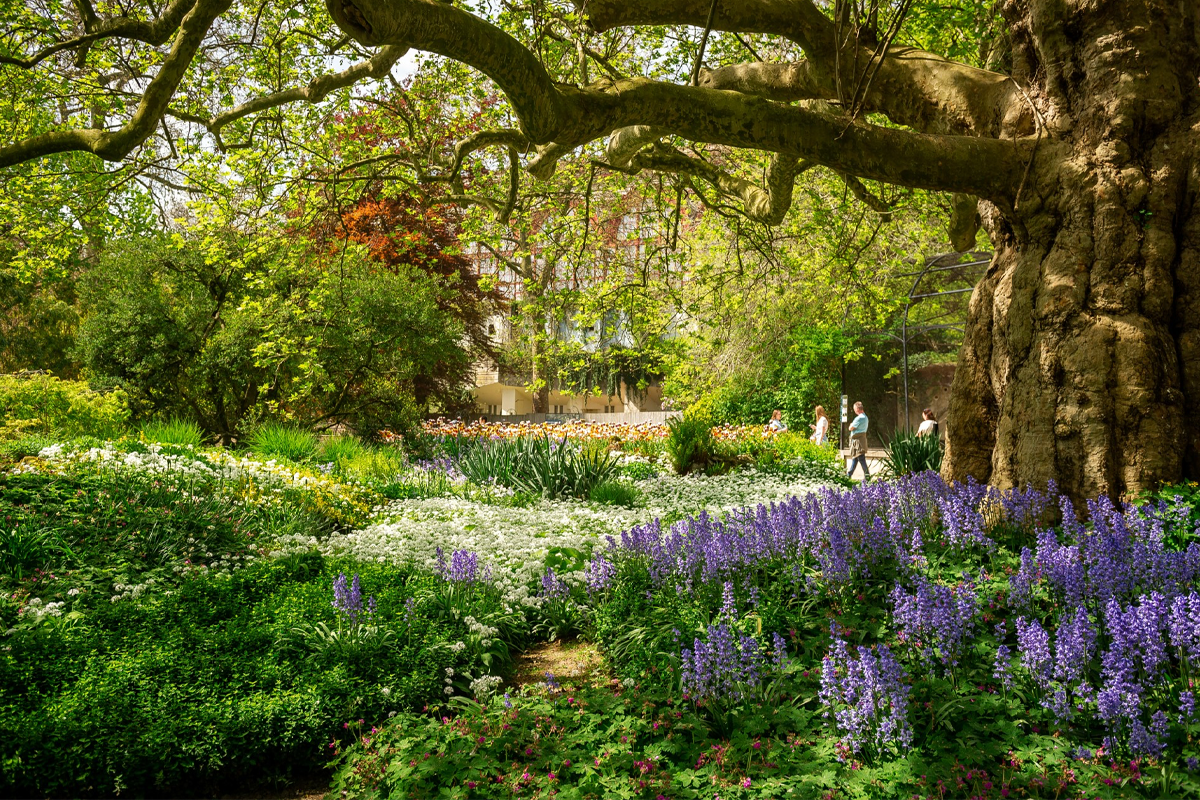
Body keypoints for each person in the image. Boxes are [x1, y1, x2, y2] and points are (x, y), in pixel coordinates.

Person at [846, 401, 870, 480]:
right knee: (855, 459)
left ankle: (867, 476)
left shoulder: (859, 418)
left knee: (861, 459)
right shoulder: (865, 417)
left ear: (857, 409)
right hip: (861, 441)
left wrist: (851, 425)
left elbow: (850, 428)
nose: (854, 410)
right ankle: (849, 475)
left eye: (854, 409)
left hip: (858, 442)